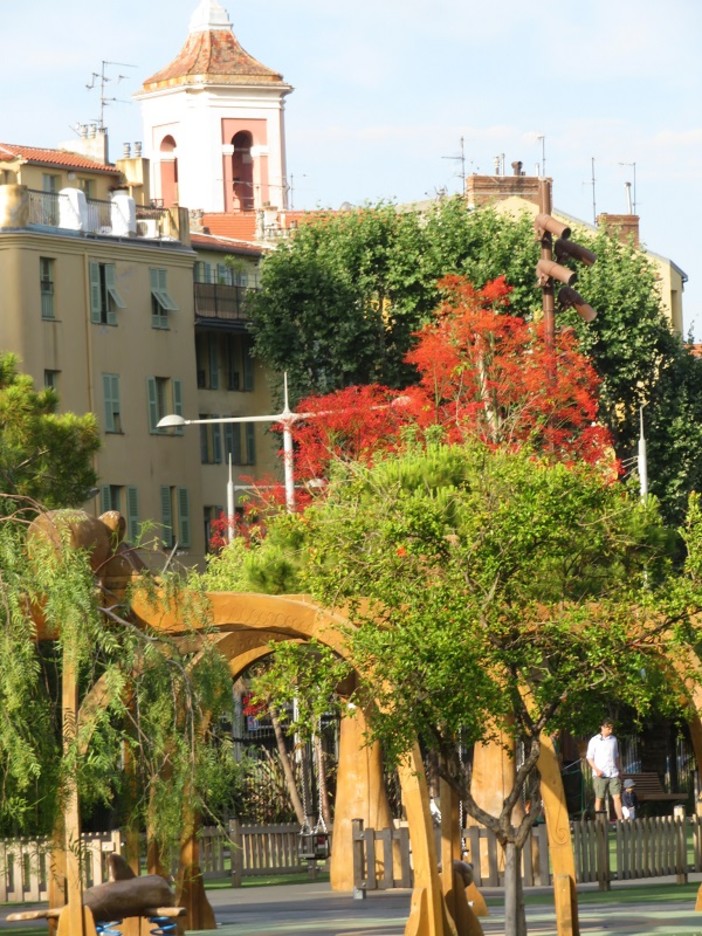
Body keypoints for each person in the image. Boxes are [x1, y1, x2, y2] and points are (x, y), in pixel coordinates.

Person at [586, 719, 623, 820]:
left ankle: (621, 820)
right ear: (602, 727)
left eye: (611, 728)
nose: (611, 730)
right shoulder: (594, 740)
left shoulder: (614, 740)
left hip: (613, 774)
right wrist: (596, 769)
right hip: (600, 774)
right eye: (608, 728)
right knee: (599, 798)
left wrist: (619, 770)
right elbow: (589, 757)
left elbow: (616, 756)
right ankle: (600, 821)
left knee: (617, 797)